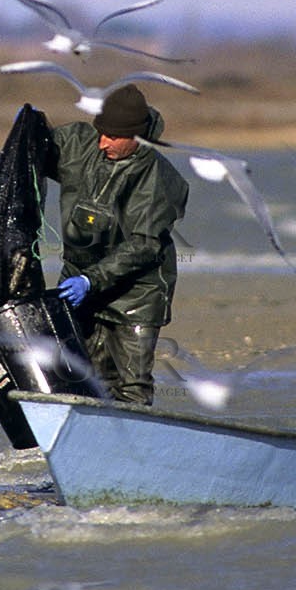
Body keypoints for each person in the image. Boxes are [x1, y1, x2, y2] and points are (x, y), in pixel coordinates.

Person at [41, 84, 189, 405]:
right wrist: (29, 126)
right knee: (83, 377)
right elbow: (45, 149)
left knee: (130, 386)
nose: (102, 142)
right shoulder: (85, 146)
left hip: (138, 295)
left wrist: (90, 280)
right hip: (80, 286)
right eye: (100, 132)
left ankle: (134, 447)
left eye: (112, 137)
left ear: (135, 138)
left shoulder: (159, 179)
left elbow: (144, 245)